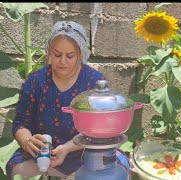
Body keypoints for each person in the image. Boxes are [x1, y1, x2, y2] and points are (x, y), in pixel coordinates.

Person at [6, 21, 130, 179]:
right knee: (18, 170)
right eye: (57, 55)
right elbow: (21, 123)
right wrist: (27, 141)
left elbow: (101, 131)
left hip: (85, 151)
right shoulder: (36, 80)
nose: (62, 61)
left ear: (81, 55)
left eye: (70, 56)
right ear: (49, 53)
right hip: (42, 155)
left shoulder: (93, 81)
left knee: (117, 166)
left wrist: (67, 148)